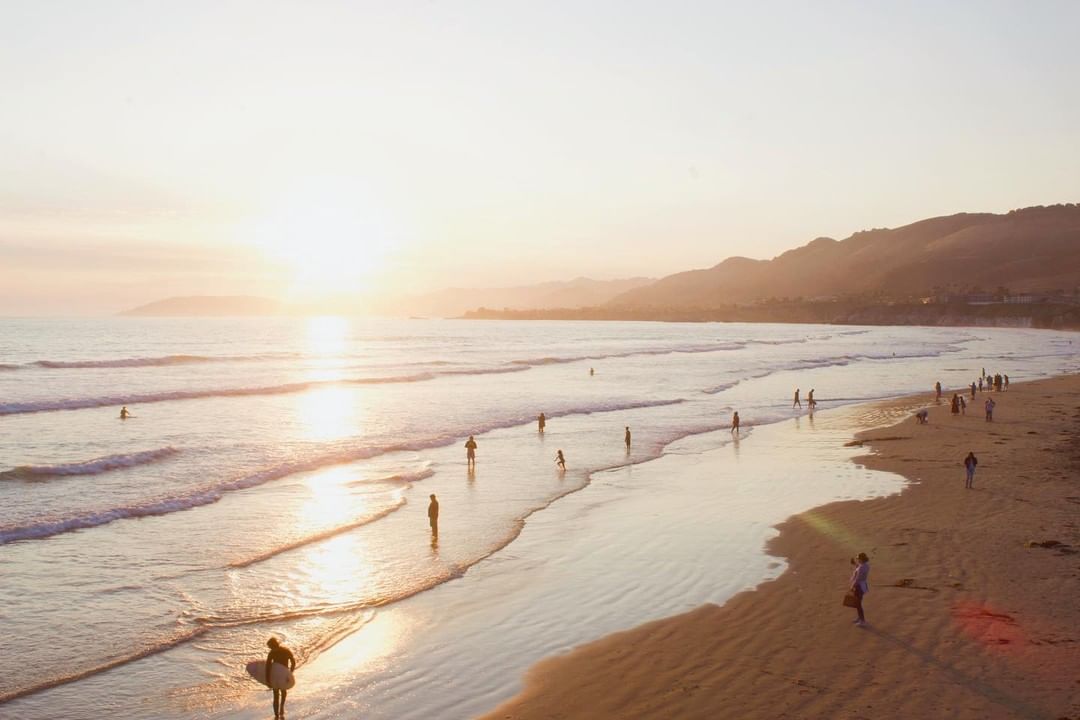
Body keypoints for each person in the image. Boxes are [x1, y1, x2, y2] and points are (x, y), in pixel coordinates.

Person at [265, 637, 296, 719]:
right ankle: (278, 711)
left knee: (280, 692)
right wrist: (290, 673)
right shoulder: (279, 652)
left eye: (270, 647)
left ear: (273, 645)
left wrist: (290, 674)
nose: (270, 648)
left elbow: (293, 662)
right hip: (280, 675)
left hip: (280, 675)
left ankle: (279, 710)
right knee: (279, 693)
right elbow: (293, 662)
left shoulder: (278, 652)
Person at [849, 553, 870, 627]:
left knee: (858, 604)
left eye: (858, 559)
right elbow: (859, 568)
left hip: (859, 587)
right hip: (863, 586)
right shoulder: (866, 565)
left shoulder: (862, 567)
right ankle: (859, 618)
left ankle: (862, 621)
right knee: (858, 603)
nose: (857, 560)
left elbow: (858, 578)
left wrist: (852, 586)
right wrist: (854, 564)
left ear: (861, 559)